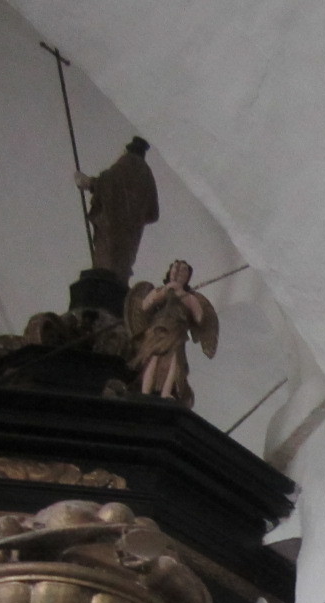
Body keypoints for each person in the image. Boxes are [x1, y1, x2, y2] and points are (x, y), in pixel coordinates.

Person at [126, 260, 218, 406]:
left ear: (187, 277)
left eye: (183, 270)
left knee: (174, 361)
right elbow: (145, 305)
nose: (178, 272)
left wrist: (186, 297)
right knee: (153, 358)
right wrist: (164, 292)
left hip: (176, 331)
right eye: (175, 268)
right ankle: (145, 391)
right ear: (170, 273)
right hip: (158, 328)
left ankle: (166, 392)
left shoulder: (189, 297)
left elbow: (200, 318)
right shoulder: (162, 290)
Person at [76, 136, 159, 282]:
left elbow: (109, 183)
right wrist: (136, 216)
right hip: (130, 236)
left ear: (127, 150)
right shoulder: (148, 175)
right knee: (120, 267)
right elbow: (153, 213)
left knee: (106, 265)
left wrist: (90, 183)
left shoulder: (127, 163)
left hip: (113, 228)